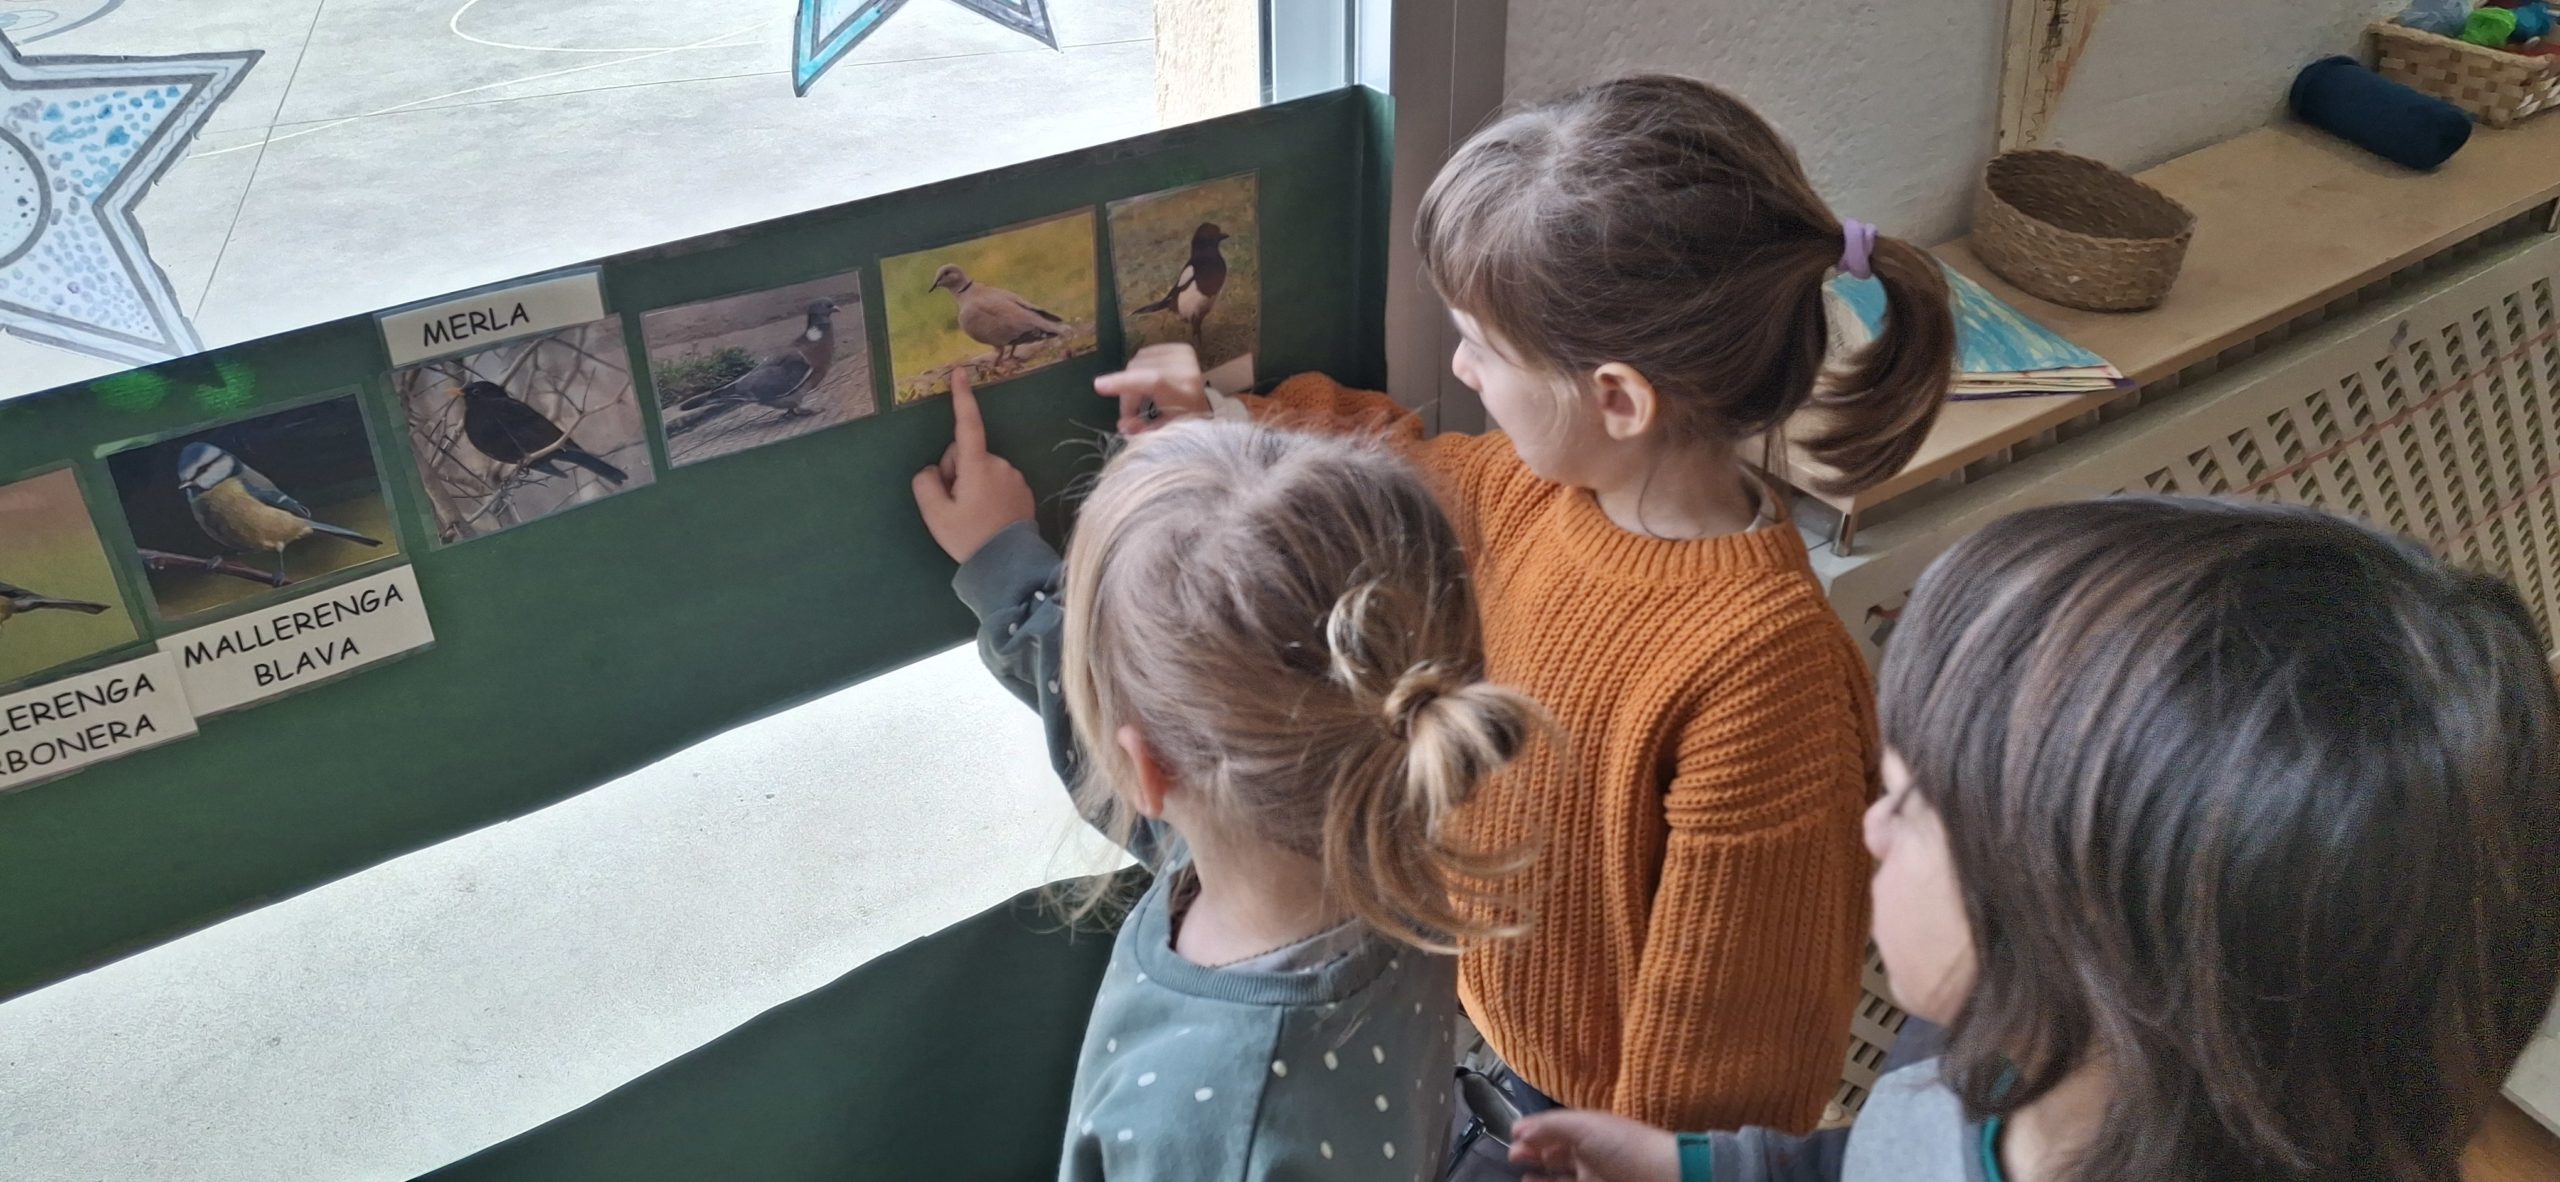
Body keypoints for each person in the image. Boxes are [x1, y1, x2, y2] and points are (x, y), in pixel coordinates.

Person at [1092, 72, 1959, 1143]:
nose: (1460, 367)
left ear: (1617, 398)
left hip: (1588, 1135)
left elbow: (1740, 1041)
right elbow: (1390, 472)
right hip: (1473, 1040)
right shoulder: (1538, 489)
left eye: (1481, 346)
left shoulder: (1766, 679)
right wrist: (1227, 419)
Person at [1494, 497, 2560, 1182]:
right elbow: (1888, 1160)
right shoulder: (1996, 1042)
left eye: (1908, 803)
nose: (1869, 826)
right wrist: (1690, 1166)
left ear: (2079, 939)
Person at [914, 373, 1547, 1180]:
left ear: (1145, 769)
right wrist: (1006, 564)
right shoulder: (1377, 831)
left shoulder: (1208, 1121)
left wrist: (1005, 562)